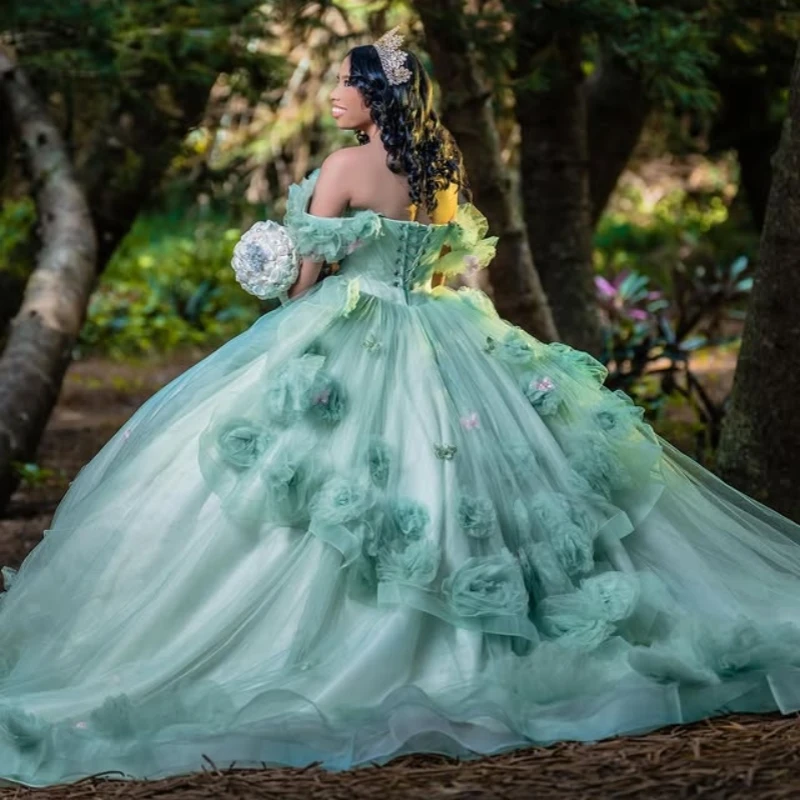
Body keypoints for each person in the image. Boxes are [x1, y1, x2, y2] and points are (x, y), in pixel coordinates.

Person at [1, 27, 800, 789]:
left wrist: (276, 268)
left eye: (349, 83)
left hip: (353, 322)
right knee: (468, 473)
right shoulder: (443, 164)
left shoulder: (345, 166)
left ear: (379, 96)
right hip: (441, 328)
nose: (337, 94)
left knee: (302, 474)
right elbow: (448, 262)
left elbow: (306, 281)